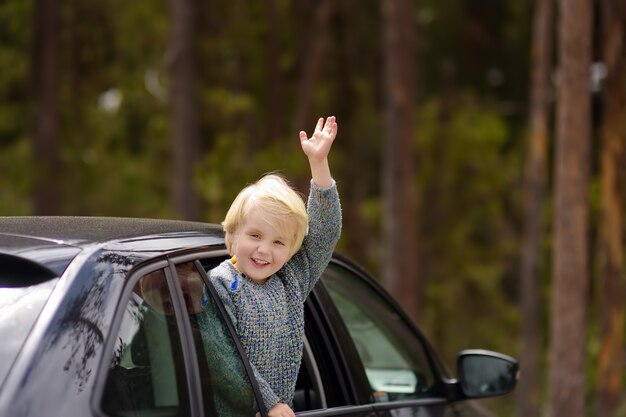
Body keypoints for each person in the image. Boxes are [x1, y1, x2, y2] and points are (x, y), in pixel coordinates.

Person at [207, 116, 341, 417]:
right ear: (231, 235)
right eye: (254, 235)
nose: (264, 250)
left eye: (279, 243)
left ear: (291, 250)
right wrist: (267, 402)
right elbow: (220, 357)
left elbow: (324, 234)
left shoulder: (290, 281)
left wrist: (319, 164)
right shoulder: (219, 284)